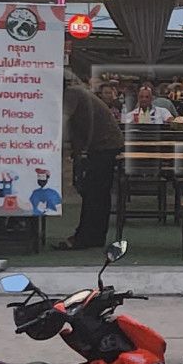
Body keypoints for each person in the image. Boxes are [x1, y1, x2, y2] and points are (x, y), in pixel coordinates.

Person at [62, 69, 123, 250]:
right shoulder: (77, 92)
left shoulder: (72, 94)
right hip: (104, 145)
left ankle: (86, 238)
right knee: (96, 194)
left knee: (94, 193)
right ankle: (92, 237)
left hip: (104, 146)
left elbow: (63, 122)